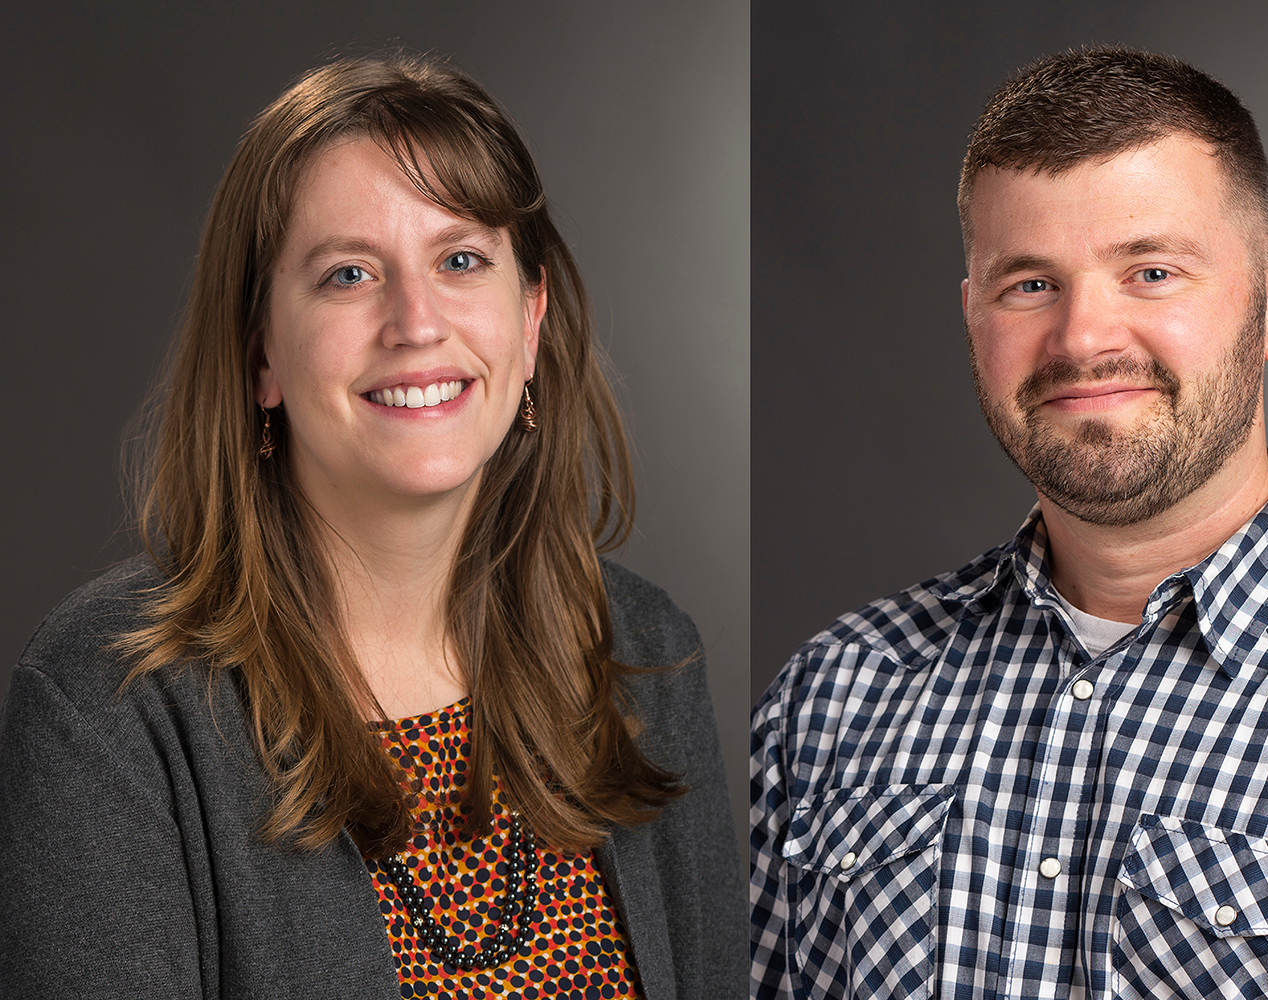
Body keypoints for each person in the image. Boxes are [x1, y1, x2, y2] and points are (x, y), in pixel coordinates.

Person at [750, 45, 1268, 999]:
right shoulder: (828, 701)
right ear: (972, 316)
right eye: (1030, 284)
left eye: (1150, 272)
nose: (1083, 339)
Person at [0, 54, 743, 999]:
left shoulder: (641, 652)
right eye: (348, 274)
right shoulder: (111, 709)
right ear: (261, 351)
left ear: (531, 319)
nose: (415, 322)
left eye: (461, 260)